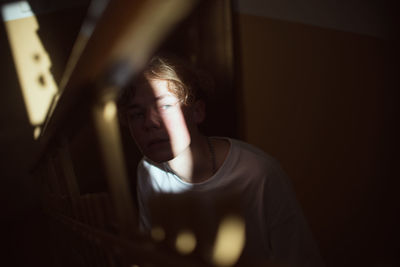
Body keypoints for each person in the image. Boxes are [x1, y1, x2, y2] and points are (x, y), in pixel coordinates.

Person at [118, 54, 324, 266]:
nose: (150, 122)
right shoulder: (149, 171)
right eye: (136, 114)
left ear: (197, 112)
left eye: (165, 106)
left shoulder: (259, 174)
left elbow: (300, 257)